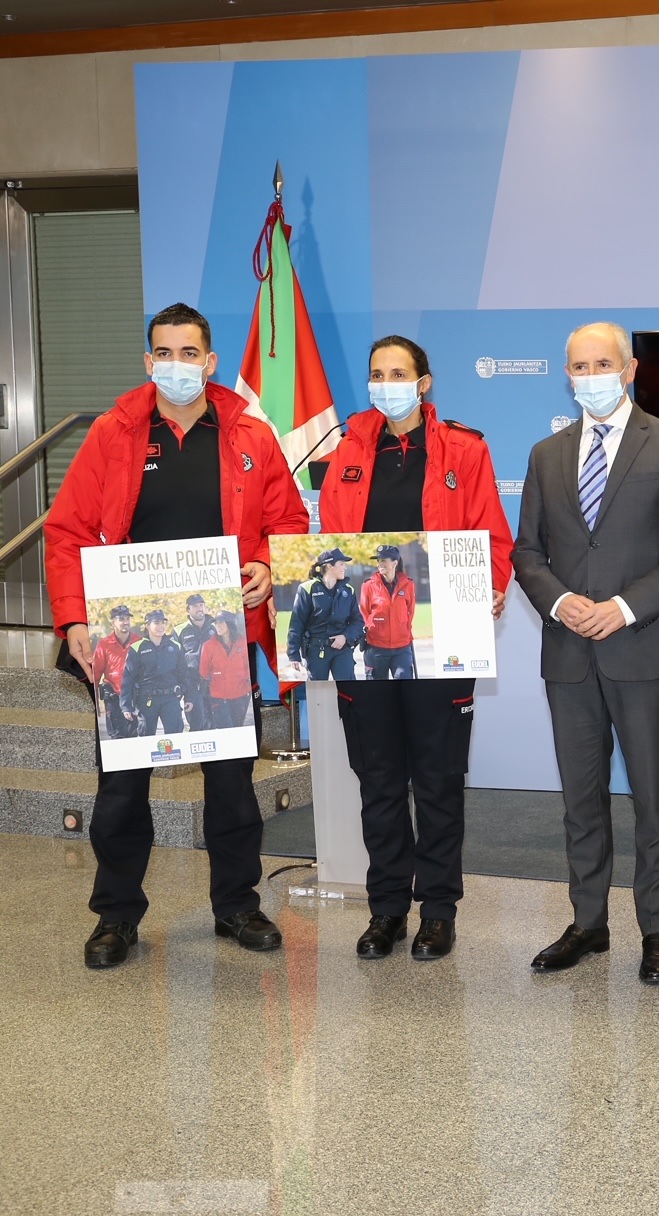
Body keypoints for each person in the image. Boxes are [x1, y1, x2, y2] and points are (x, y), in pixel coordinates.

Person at [46, 301, 307, 970]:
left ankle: (237, 905)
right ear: (147, 361)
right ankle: (115, 915)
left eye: (189, 354)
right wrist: (74, 618)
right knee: (121, 793)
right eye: (163, 353)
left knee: (232, 787)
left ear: (210, 361)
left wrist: (265, 566)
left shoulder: (250, 434)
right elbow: (67, 531)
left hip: (221, 642)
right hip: (131, 647)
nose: (176, 365)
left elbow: (289, 522)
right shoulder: (113, 433)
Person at [513, 321, 659, 984]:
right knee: (581, 800)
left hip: (642, 651)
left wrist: (621, 608)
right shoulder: (546, 454)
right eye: (579, 366)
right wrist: (561, 602)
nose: (590, 376)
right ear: (567, 374)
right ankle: (588, 923)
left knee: (652, 799)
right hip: (568, 655)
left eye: (602, 364)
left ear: (628, 370)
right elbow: (527, 553)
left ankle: (657, 932)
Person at [317, 334, 513, 962]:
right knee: (378, 782)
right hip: (366, 647)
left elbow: (493, 537)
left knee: (437, 782)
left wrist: (491, 587)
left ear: (423, 383)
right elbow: (330, 545)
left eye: (399, 373)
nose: (386, 384)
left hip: (441, 639)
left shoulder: (464, 448)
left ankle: (437, 911)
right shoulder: (347, 450)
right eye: (377, 373)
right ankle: (386, 911)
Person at [286, 548, 364, 679]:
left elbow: (358, 621)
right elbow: (297, 623)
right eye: (341, 564)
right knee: (318, 690)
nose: (345, 567)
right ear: (329, 566)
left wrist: (345, 636)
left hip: (342, 650)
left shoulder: (348, 591)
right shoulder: (307, 589)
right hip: (316, 650)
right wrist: (293, 654)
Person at [121, 609, 190, 735]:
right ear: (147, 626)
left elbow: (184, 674)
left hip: (171, 698)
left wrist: (189, 697)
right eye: (156, 623)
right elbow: (128, 678)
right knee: (146, 736)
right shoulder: (137, 648)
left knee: (175, 735)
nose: (161, 626)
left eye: (163, 623)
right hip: (146, 699)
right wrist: (126, 706)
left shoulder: (175, 646)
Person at [360, 544, 417, 680]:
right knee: (378, 690)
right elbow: (364, 613)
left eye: (383, 560)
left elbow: (410, 612)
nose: (379, 564)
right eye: (378, 560)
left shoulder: (408, 584)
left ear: (395, 563)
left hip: (402, 648)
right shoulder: (368, 586)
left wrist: (404, 632)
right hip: (376, 648)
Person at [91, 604, 138, 740]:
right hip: (113, 697)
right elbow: (95, 674)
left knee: (134, 736)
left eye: (127, 619)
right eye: (121, 619)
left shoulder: (139, 641)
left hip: (134, 696)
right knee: (117, 737)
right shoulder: (104, 644)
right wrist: (94, 702)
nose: (125, 622)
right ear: (113, 623)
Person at [199, 611, 252, 729]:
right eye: (216, 623)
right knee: (225, 729)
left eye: (221, 622)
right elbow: (204, 671)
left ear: (230, 623)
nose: (217, 626)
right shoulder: (208, 645)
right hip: (218, 696)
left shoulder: (243, 642)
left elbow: (248, 666)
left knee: (238, 728)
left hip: (240, 694)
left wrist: (247, 682)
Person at [174, 593, 215, 729]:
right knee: (197, 723)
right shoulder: (179, 630)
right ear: (188, 609)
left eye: (201, 605)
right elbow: (175, 659)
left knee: (217, 722)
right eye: (195, 606)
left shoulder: (216, 626)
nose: (199, 609)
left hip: (215, 682)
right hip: (192, 683)